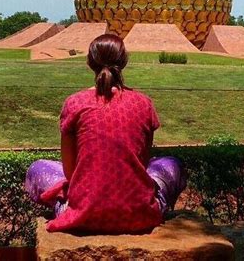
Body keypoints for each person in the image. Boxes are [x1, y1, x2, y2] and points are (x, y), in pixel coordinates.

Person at [25, 34, 187, 234]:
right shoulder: (143, 103)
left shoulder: (75, 102)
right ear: (124, 61)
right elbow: (142, 165)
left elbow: (69, 172)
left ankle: (79, 202)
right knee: (172, 164)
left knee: (37, 168)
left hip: (82, 214)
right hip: (140, 214)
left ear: (89, 62)